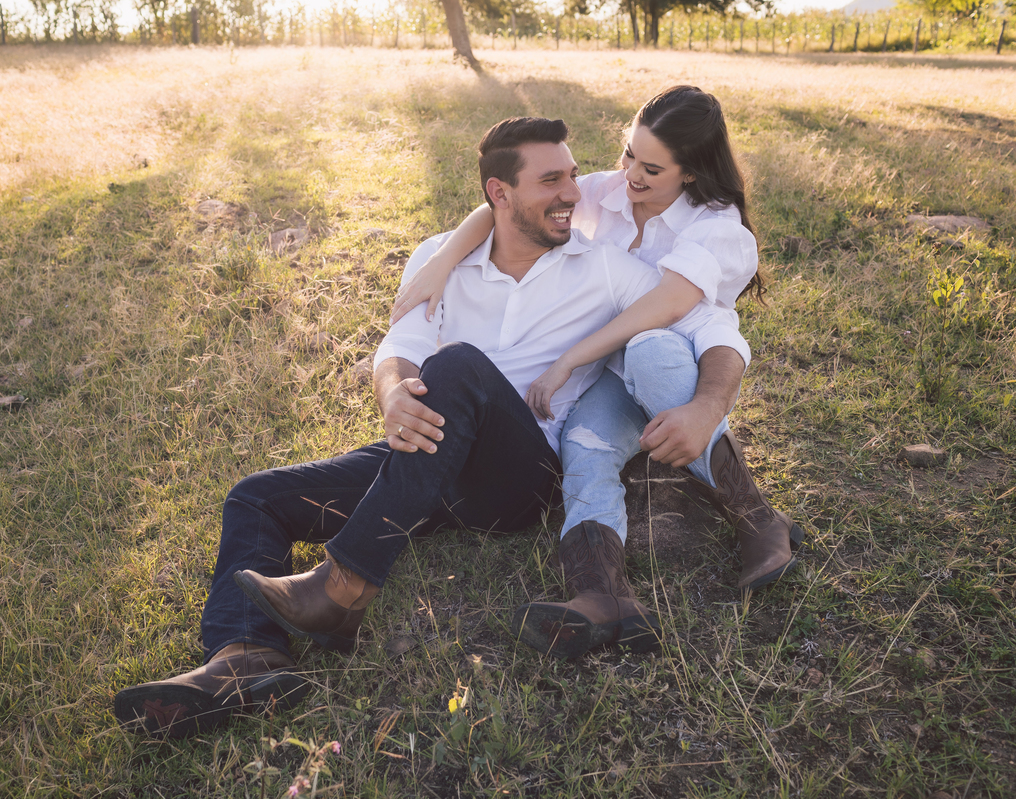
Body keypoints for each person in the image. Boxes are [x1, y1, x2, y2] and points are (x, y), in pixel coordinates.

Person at [113, 115, 749, 738]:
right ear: (500, 194)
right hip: (424, 459)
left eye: (574, 176)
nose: (574, 196)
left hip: (515, 478)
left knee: (460, 368)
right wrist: (392, 394)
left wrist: (708, 404)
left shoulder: (603, 266)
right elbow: (400, 345)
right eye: (551, 181)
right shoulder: (438, 260)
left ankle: (345, 586)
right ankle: (245, 660)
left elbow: (706, 323)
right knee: (255, 497)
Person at [388, 86, 804, 659]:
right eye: (629, 153)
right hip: (603, 380)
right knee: (583, 447)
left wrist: (703, 407)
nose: (630, 174)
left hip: (668, 367)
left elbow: (706, 330)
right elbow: (507, 201)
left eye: (651, 168)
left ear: (690, 173)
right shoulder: (607, 192)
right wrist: (443, 259)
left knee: (652, 350)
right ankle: (603, 596)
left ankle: (756, 516)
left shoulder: (717, 232)